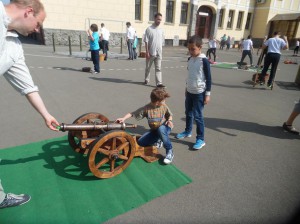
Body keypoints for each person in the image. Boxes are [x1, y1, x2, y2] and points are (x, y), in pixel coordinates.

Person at [0, 0, 59, 209]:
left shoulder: (14, 46)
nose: (38, 29)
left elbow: (28, 86)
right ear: (28, 12)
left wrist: (46, 115)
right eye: (38, 23)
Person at [115, 88, 174, 164]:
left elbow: (170, 115)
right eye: (163, 100)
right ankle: (158, 139)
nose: (164, 102)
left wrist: (169, 120)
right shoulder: (146, 108)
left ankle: (169, 151)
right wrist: (123, 118)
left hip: (165, 128)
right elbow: (132, 113)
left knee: (161, 128)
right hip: (154, 130)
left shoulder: (164, 106)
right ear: (157, 102)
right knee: (141, 142)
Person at [175, 35, 212, 150]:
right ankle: (187, 131)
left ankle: (200, 139)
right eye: (189, 49)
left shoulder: (204, 61)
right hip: (190, 91)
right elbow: (190, 75)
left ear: (200, 47)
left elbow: (209, 78)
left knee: (198, 116)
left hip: (199, 93)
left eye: (193, 49)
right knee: (188, 113)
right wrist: (186, 88)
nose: (190, 51)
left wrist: (207, 94)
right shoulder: (190, 59)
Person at [144, 13, 165, 88]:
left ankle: (159, 83)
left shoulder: (161, 30)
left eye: (160, 20)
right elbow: (146, 41)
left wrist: (161, 51)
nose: (159, 21)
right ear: (154, 19)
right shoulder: (149, 29)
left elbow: (162, 42)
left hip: (159, 53)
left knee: (158, 68)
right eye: (158, 19)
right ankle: (146, 79)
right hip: (151, 53)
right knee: (148, 67)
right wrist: (147, 52)